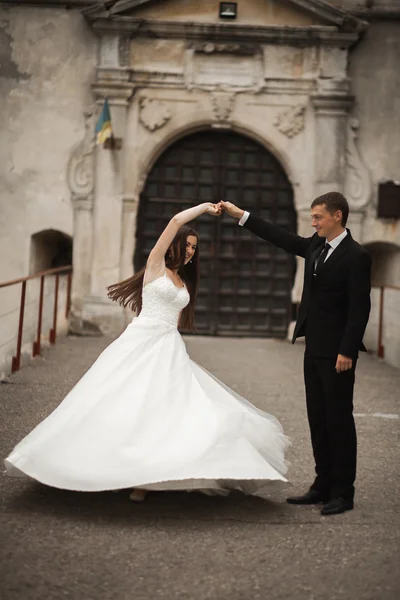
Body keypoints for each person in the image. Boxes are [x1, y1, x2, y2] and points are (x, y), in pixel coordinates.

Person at [5, 202, 289, 502]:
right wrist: (204, 208)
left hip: (168, 346)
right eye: (188, 245)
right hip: (140, 341)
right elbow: (176, 219)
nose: (191, 251)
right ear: (175, 245)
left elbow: (174, 318)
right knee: (122, 405)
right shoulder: (156, 266)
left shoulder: (183, 281)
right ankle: (114, 469)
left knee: (164, 410)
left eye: (195, 248)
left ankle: (146, 478)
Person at [220, 192, 371, 516]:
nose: (313, 222)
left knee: (339, 421)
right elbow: (281, 237)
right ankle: (321, 485)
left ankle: (343, 492)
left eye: (318, 217)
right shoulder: (315, 245)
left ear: (338, 217)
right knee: (317, 417)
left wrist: (347, 350)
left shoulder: (356, 256)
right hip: (313, 347)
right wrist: (241, 215)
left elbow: (360, 308)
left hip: (338, 354)